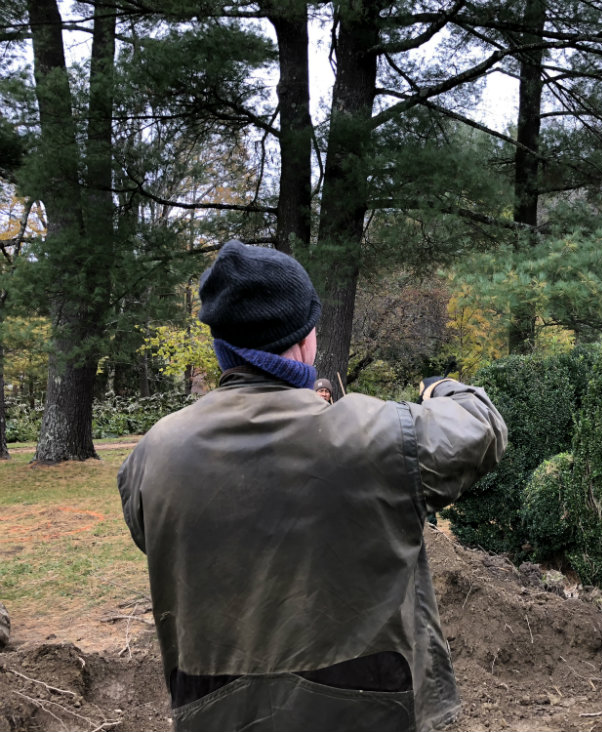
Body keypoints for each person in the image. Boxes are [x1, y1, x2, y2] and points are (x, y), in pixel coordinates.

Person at [117, 240, 507, 732]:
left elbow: (150, 533)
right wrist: (441, 389)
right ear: (305, 342)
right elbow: (483, 428)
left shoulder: (152, 454)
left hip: (216, 715)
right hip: (368, 712)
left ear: (221, 345)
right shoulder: (380, 436)